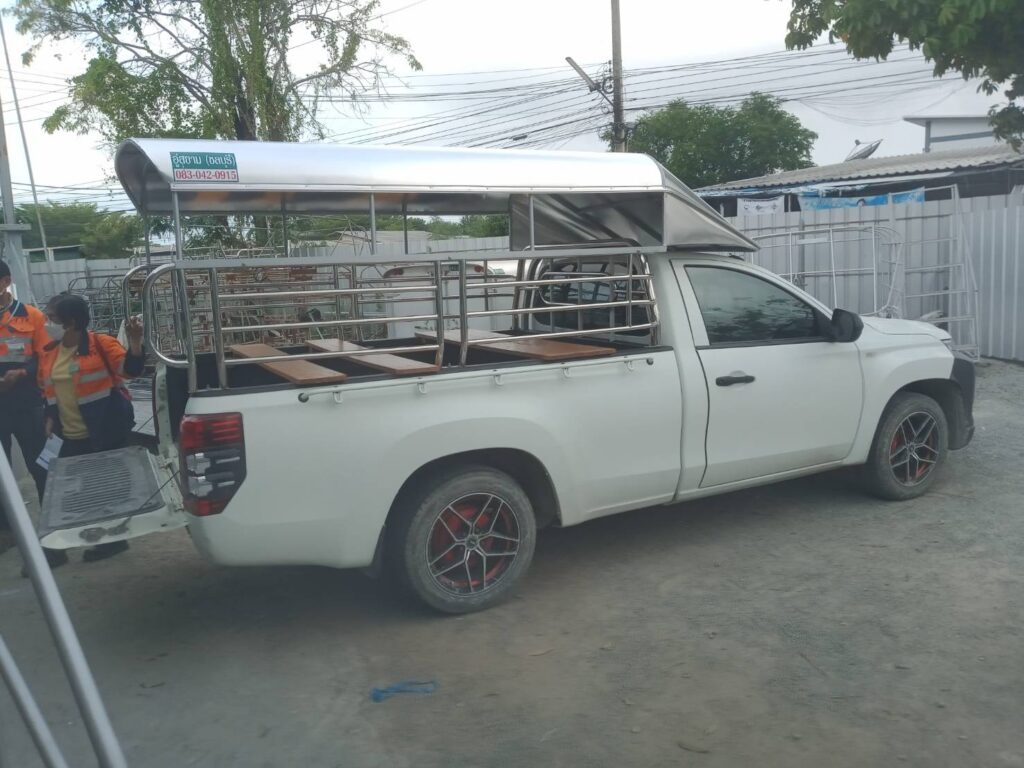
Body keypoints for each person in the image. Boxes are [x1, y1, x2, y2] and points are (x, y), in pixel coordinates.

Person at [38, 293, 145, 562]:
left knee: (104, 490)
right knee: (62, 492)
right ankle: (55, 551)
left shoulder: (101, 344)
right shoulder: (50, 351)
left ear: (71, 322)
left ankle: (111, 542)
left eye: (52, 318)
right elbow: (48, 389)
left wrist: (135, 342)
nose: (47, 323)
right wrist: (50, 416)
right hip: (68, 435)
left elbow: (131, 370)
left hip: (104, 431)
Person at [0, 260, 70, 566]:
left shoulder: (31, 316)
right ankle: (8, 533)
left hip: (28, 404)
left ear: (5, 282)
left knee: (42, 470)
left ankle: (53, 542)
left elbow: (45, 357)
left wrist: (22, 373)